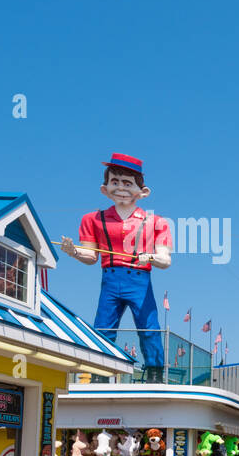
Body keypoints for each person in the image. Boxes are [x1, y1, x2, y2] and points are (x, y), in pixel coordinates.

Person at [59, 153, 172, 381]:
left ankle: (155, 375)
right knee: (102, 328)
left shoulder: (156, 222)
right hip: (110, 279)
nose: (121, 188)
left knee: (149, 328)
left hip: (140, 280)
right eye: (115, 182)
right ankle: (100, 374)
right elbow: (91, 256)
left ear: (143, 191)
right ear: (105, 188)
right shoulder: (93, 219)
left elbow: (165, 260)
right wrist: (74, 251)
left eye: (128, 183)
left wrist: (149, 257)